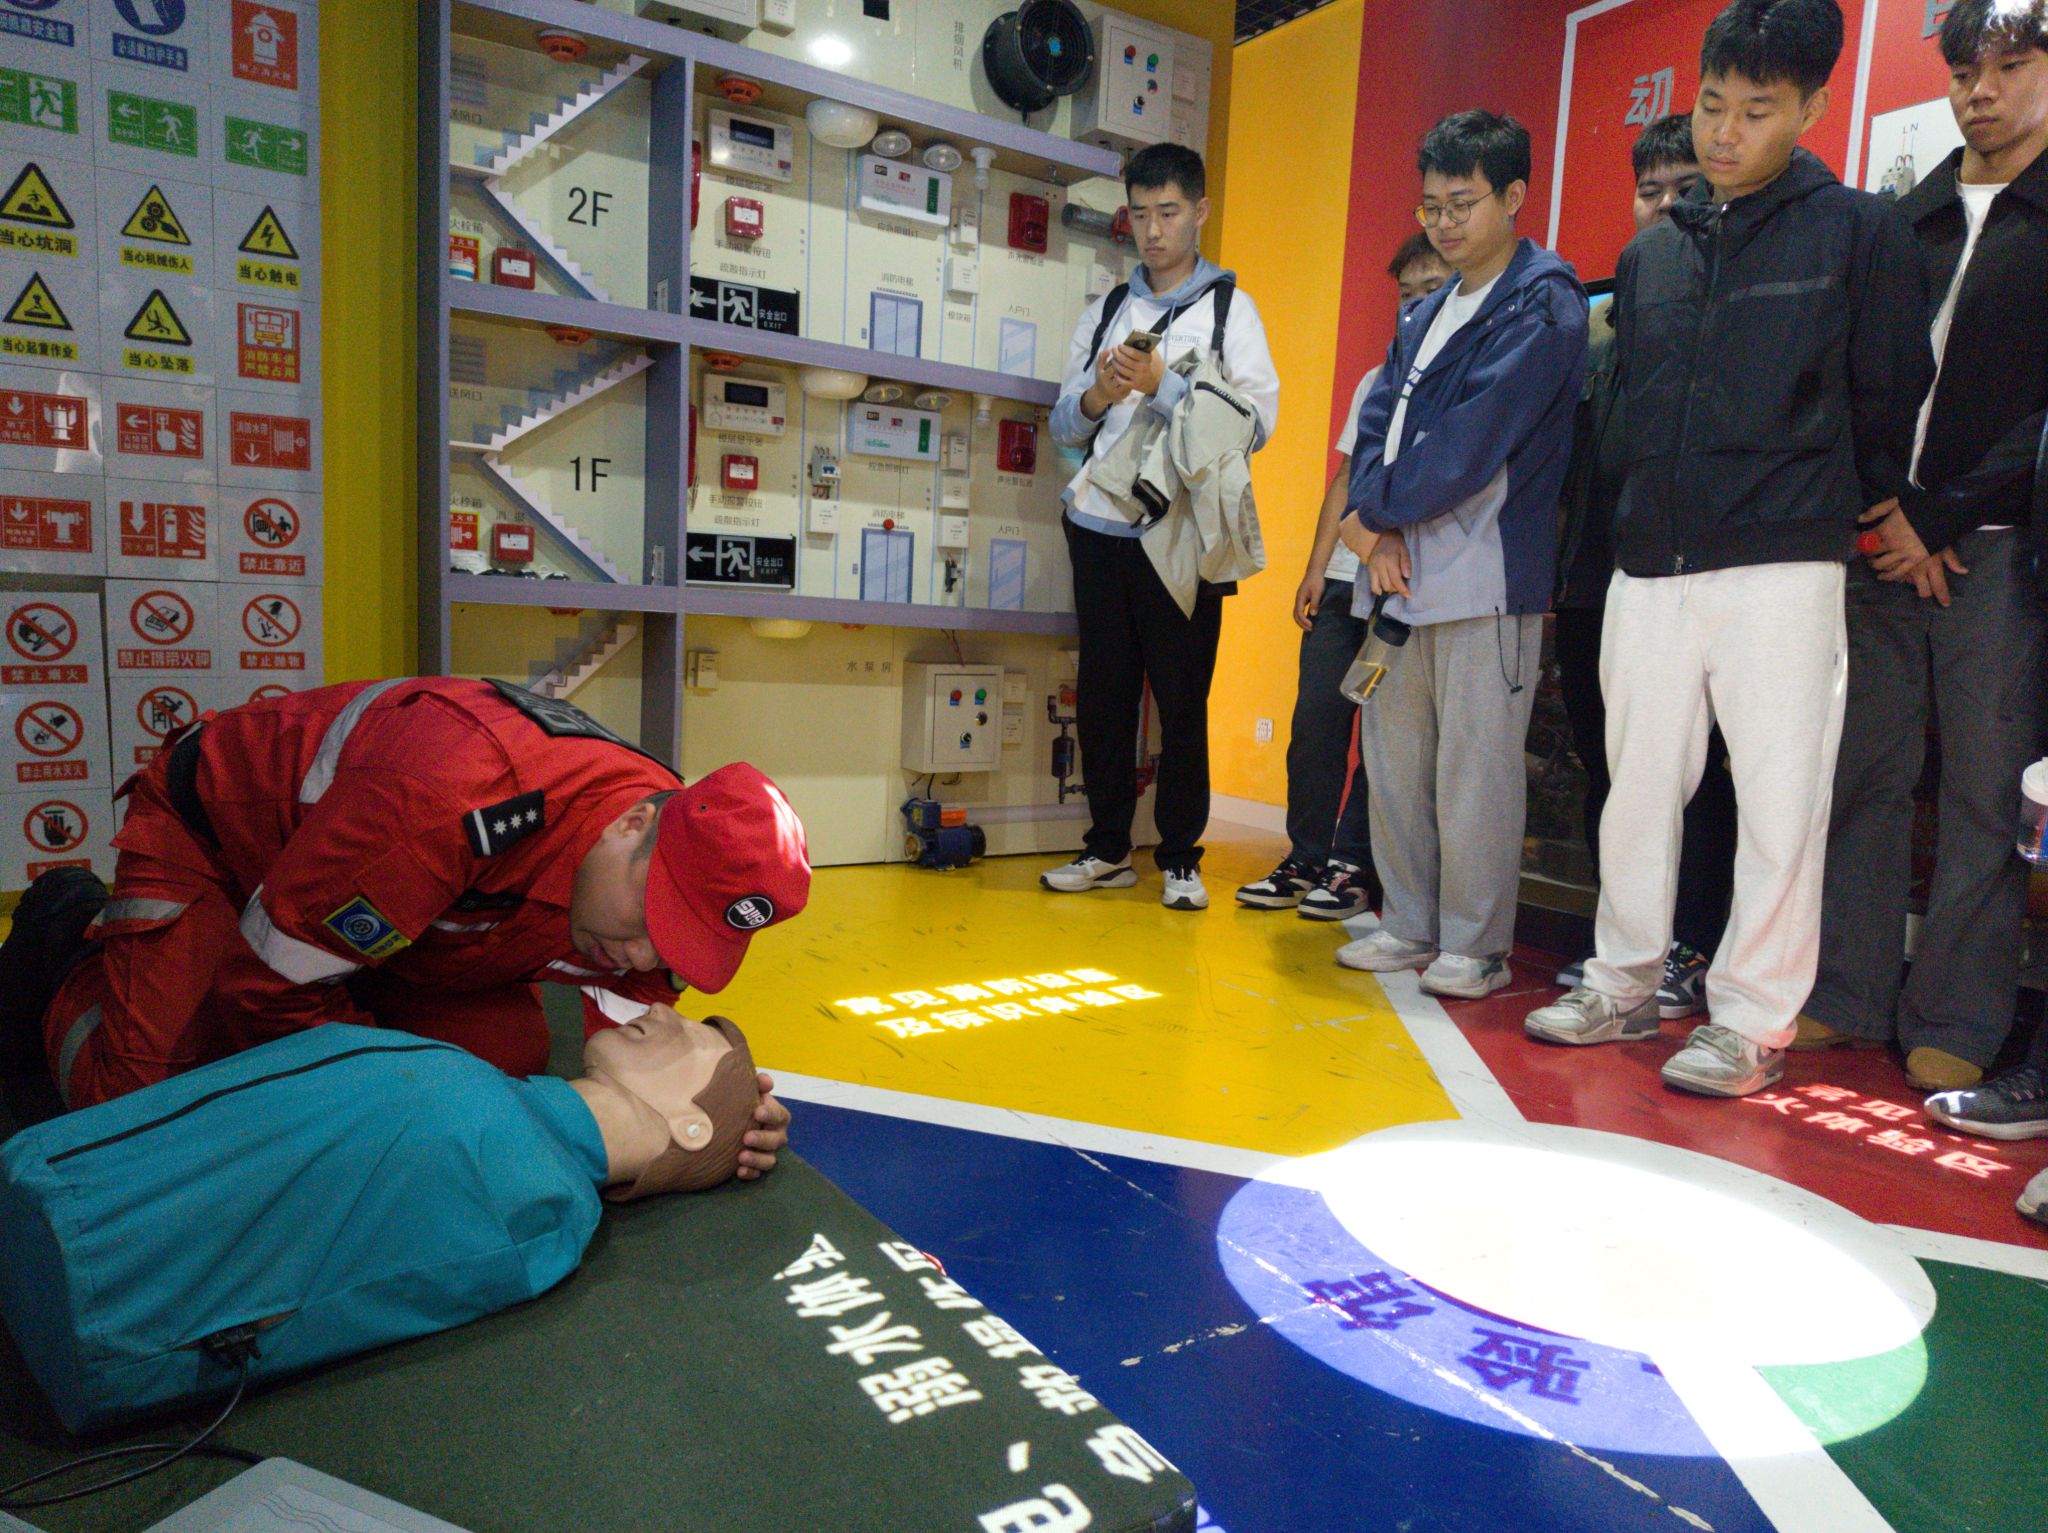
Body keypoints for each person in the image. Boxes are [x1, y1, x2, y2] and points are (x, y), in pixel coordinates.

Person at [1525, 0, 1934, 1095]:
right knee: (1635, 787)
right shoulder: (1651, 253)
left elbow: (1889, 390)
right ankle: (1620, 980)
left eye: (1756, 111)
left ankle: (1750, 1018)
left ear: (1811, 108)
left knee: (1779, 798)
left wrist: (1839, 499)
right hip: (1651, 559)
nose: (1723, 131)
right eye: (1712, 104)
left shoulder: (1859, 232)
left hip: (1785, 557)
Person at [0, 678, 808, 1175]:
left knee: (505, 1060)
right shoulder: (445, 804)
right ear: (632, 823)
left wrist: (722, 1110)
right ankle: (65, 936)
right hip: (229, 849)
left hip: (404, 921)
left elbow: (639, 1020)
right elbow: (265, 990)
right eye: (652, 920)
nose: (643, 956)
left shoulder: (660, 859)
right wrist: (395, 1105)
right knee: (142, 1114)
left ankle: (357, 985)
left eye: (681, 941)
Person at [0, 1003, 763, 1433]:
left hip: (88, 1285)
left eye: (699, 1041)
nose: (664, 1009)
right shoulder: (500, 1126)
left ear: (692, 1126)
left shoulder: (535, 1196)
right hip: (66, 1226)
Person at [1801, 0, 2048, 1092]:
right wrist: (1889, 509)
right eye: (1961, 72)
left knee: (1984, 796)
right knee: (1863, 774)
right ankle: (1845, 988)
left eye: (2009, 66)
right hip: (1882, 541)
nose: (1979, 91)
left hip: (1995, 546)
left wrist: (1938, 517)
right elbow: (1854, 376)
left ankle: (1955, 1012)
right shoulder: (1904, 218)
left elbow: (2041, 416)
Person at [1328, 110, 1589, 998]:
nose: (1443, 222)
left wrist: (1376, 512)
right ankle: (1408, 922)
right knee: (1396, 765)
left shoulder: (1544, 302)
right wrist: (1374, 524)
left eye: (1461, 204)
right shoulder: (1427, 310)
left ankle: (1476, 945)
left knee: (1476, 772)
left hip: (1485, 576)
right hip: (1399, 574)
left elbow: (1469, 446)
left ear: (1513, 196)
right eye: (1431, 205)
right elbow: (1376, 422)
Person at [1041, 141, 1281, 912]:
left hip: (1182, 535)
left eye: (1168, 212)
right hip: (1098, 525)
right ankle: (1107, 847)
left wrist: (1164, 386)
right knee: (1103, 697)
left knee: (1182, 700)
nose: (1152, 230)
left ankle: (1180, 856)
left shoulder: (1230, 310)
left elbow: (1256, 425)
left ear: (1200, 211)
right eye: (1140, 214)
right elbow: (1063, 424)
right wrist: (1100, 394)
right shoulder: (1107, 309)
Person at [1551, 112, 1735, 1021]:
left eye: (1685, 190)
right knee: (1609, 767)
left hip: (1689, 579)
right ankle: (1620, 942)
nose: (1663, 207)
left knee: (1694, 779)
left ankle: (1690, 946)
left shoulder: (1728, 312)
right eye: (1649, 190)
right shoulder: (1602, 327)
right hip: (1594, 580)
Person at [1237, 232, 1450, 920]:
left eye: (1432, 290)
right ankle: (1304, 856)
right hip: (1340, 580)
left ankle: (1353, 866)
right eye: (1406, 295)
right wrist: (1313, 566)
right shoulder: (1376, 379)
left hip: (1401, 585)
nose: (1416, 306)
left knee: (1384, 734)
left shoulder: (1463, 379)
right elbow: (1344, 478)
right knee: (1317, 723)